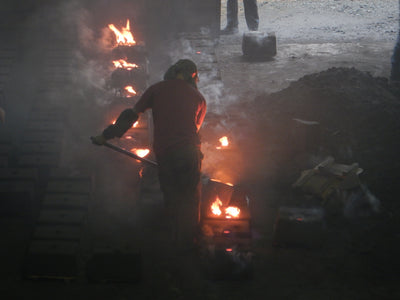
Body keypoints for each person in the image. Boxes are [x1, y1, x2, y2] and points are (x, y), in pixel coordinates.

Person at [92, 59, 207, 253]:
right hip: (190, 154)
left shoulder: (156, 89)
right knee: (190, 200)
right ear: (192, 76)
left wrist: (105, 135)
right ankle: (189, 245)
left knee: (172, 198)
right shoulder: (198, 97)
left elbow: (131, 115)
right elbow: (194, 129)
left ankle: (173, 242)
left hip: (167, 154)